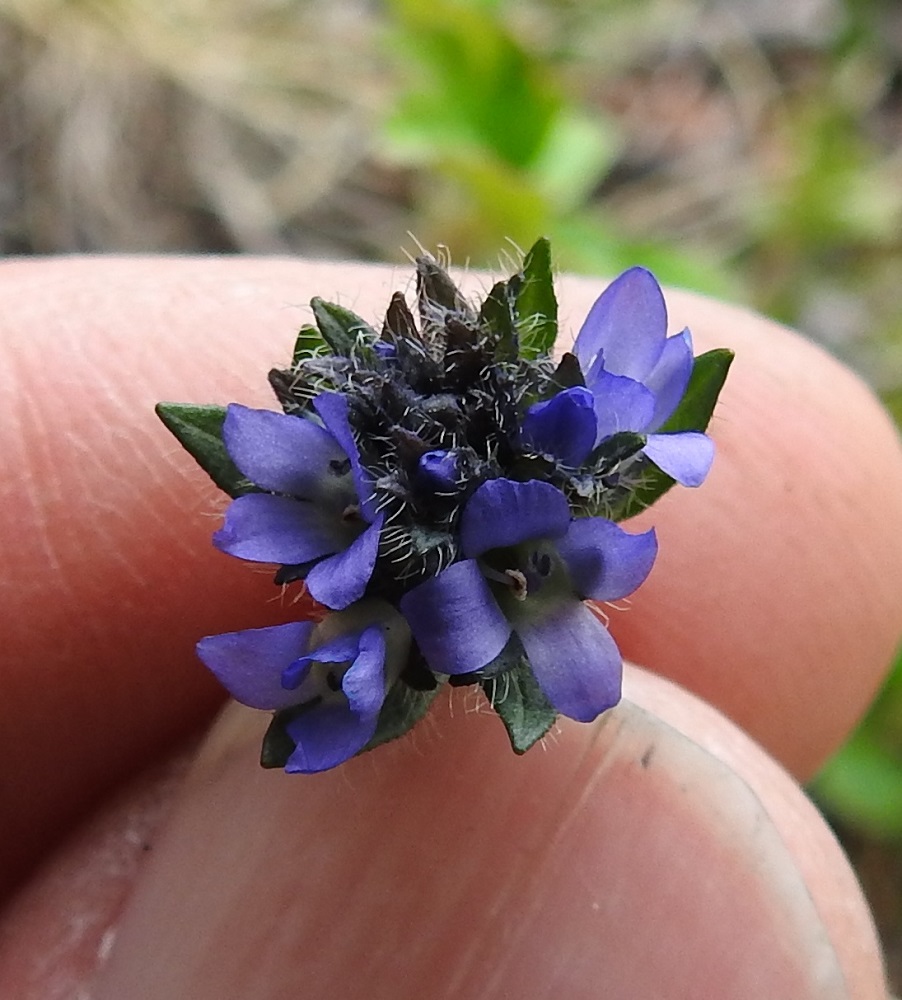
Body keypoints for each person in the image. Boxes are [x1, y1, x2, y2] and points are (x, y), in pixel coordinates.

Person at [0, 256, 900, 999]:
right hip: (393, 571)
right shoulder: (420, 574)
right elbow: (454, 587)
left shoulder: (543, 580)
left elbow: (538, 604)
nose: (526, 576)